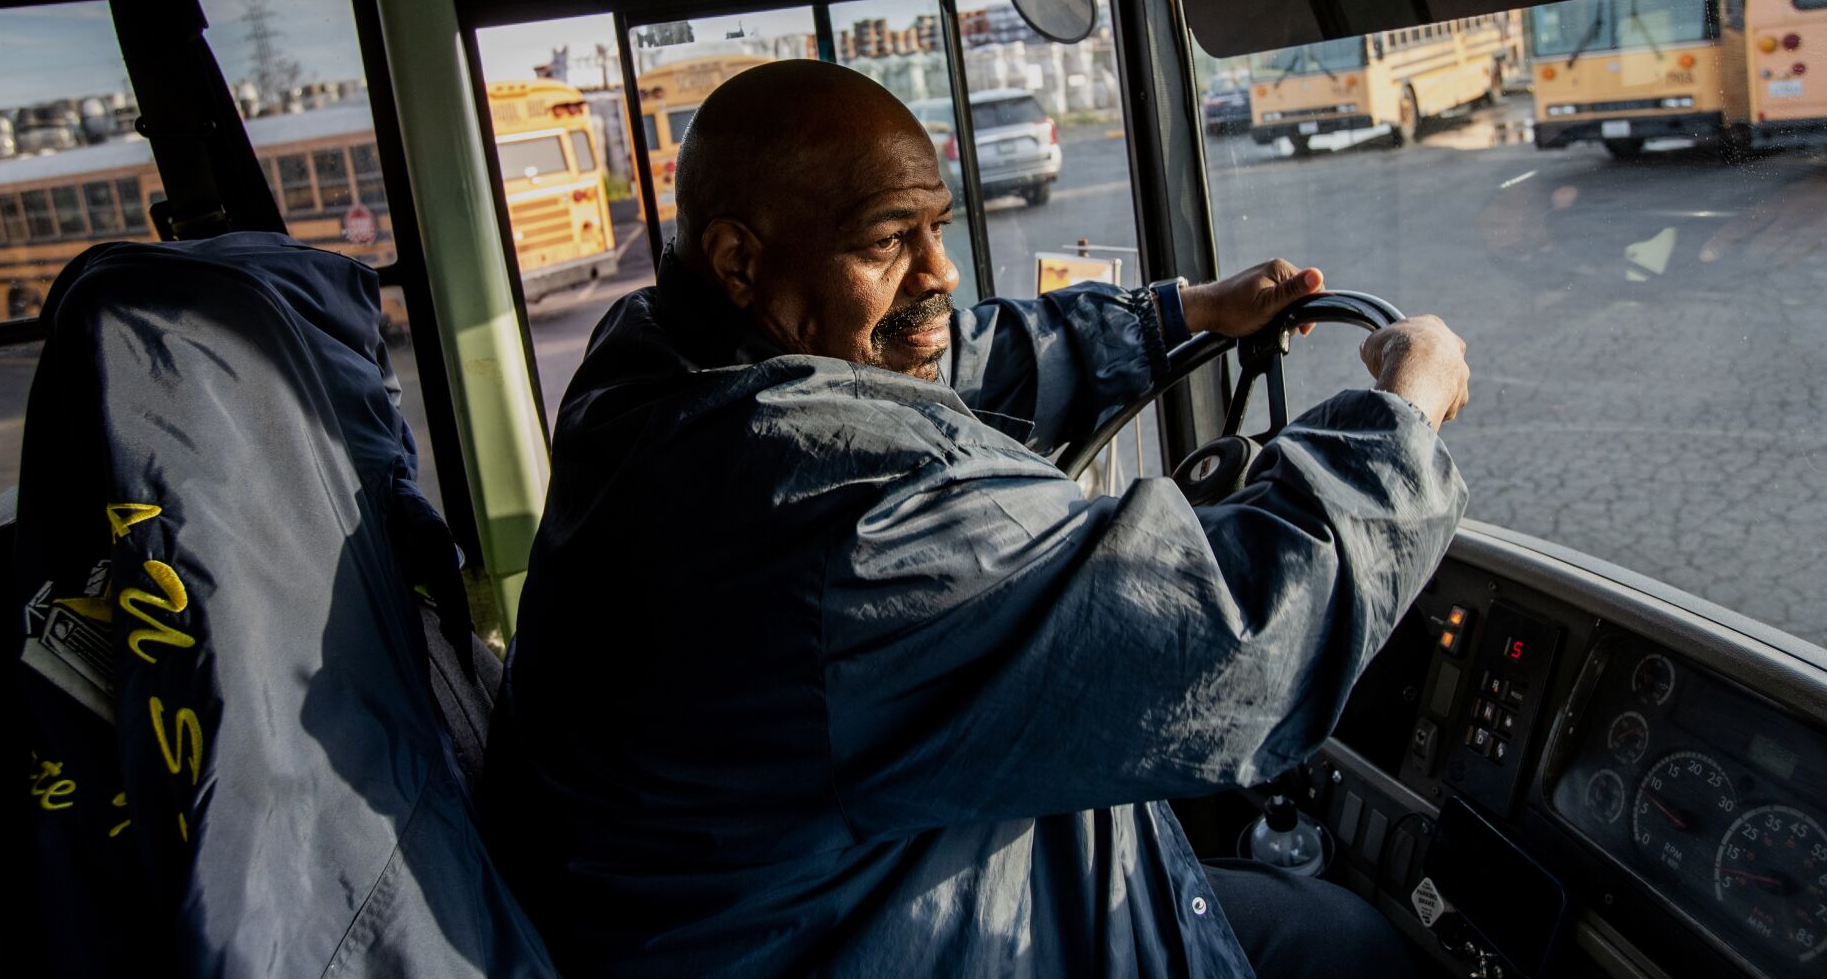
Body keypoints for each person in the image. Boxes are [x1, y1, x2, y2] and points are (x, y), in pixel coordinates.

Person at [485, 61, 1470, 978]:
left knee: (1319, 929)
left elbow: (942, 356)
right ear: (739, 259)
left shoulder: (655, 367)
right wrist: (1402, 418)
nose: (939, 272)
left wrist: (1185, 314)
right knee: (1353, 948)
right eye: (885, 240)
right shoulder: (849, 521)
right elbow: (1232, 644)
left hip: (797, 903)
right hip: (877, 936)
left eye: (937, 231)